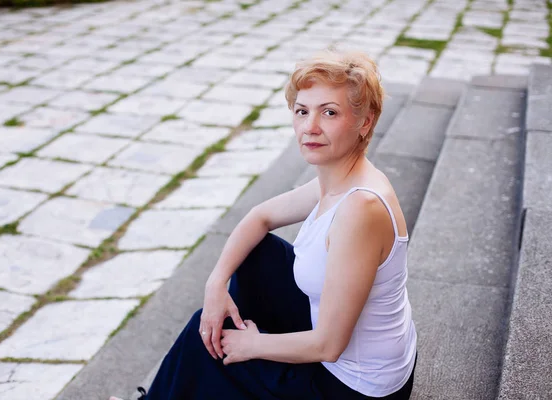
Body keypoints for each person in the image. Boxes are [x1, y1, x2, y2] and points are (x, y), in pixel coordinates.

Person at [111, 48, 417, 400]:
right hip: (362, 354)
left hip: (354, 387)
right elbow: (260, 217)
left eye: (329, 113)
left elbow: (329, 346)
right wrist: (216, 284)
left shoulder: (361, 208)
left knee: (208, 346)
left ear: (365, 122)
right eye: (302, 111)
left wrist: (253, 344)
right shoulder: (339, 179)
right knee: (256, 256)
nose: (310, 127)